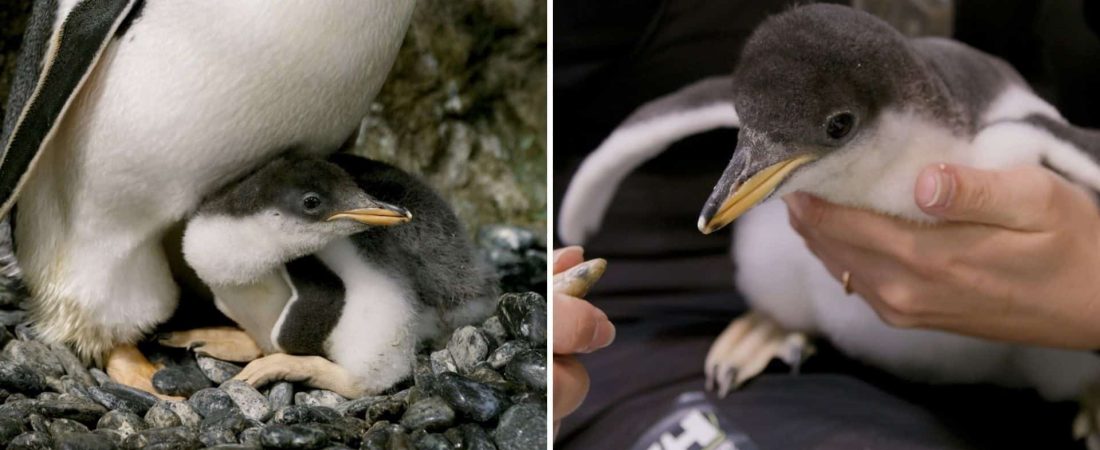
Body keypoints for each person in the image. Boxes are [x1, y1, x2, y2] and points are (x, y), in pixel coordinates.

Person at [554, 0, 1100, 448]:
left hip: (1040, 343)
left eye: (838, 127)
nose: (739, 179)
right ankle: (780, 318)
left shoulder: (999, 139)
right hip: (686, 318)